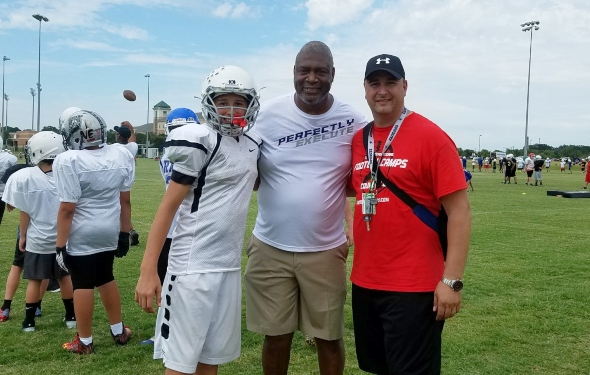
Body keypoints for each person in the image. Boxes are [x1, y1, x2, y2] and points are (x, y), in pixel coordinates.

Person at [244, 41, 366, 375]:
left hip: (324, 251)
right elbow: (245, 168)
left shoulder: (353, 120)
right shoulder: (266, 114)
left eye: (320, 71)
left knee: (328, 338)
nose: (311, 78)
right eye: (304, 70)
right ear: (294, 73)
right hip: (270, 247)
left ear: (332, 75)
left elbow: (361, 179)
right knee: (276, 337)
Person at [135, 65, 262, 375]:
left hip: (228, 266)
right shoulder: (200, 139)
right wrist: (148, 270)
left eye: (239, 101)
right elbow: (167, 208)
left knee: (211, 358)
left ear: (251, 104)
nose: (231, 108)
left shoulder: (252, 144)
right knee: (180, 365)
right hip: (191, 267)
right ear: (209, 102)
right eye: (223, 100)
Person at [349, 53, 471, 375]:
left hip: (414, 286)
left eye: (391, 82)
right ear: (365, 89)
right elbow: (358, 194)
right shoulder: (359, 141)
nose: (383, 91)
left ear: (405, 86)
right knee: (378, 367)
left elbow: (459, 212)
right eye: (375, 83)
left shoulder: (431, 137)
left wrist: (452, 281)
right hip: (365, 281)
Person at [55, 109, 135, 354]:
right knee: (105, 276)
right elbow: (125, 201)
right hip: (109, 228)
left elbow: (68, 208)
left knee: (82, 283)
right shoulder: (120, 153)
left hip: (82, 231)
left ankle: (85, 341)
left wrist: (59, 245)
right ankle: (118, 330)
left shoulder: (69, 160)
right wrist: (124, 232)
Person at [138, 107, 201, 346]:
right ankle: (168, 333)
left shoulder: (168, 153)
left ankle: (166, 334)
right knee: (173, 284)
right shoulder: (191, 154)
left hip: (175, 228)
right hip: (185, 227)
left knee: (171, 284)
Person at [2, 131, 76, 332]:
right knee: (65, 277)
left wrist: (23, 235)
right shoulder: (68, 174)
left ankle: (29, 322)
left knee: (35, 279)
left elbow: (25, 211)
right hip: (64, 237)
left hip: (38, 238)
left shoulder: (24, 177)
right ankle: (70, 317)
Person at [114, 122, 140, 246]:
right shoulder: (132, 147)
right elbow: (133, 140)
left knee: (115, 208)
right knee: (124, 205)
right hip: (128, 181)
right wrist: (132, 130)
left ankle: (126, 231)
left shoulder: (113, 148)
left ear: (118, 135)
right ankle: (130, 230)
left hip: (114, 180)